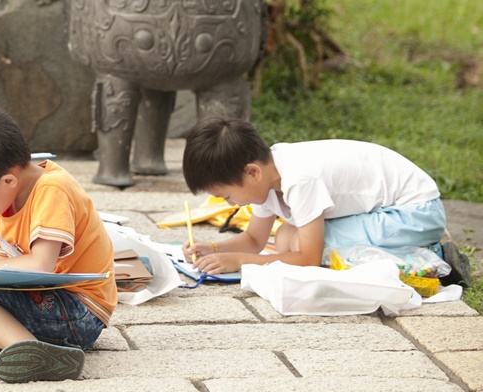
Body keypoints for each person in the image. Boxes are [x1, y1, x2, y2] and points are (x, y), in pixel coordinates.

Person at [0, 103, 117, 383]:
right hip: (49, 303)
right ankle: (8, 343)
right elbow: (7, 276)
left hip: (78, 312)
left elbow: (40, 265)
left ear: (8, 180)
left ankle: (32, 352)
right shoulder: (6, 199)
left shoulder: (52, 189)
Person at [181, 115, 450, 276]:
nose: (232, 203)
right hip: (387, 211)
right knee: (285, 237)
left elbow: (308, 260)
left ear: (252, 172)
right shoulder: (268, 176)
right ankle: (405, 247)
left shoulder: (299, 179)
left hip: (415, 215)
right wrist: (214, 249)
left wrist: (240, 261)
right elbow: (254, 240)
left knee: (296, 243)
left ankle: (421, 254)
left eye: (228, 196)